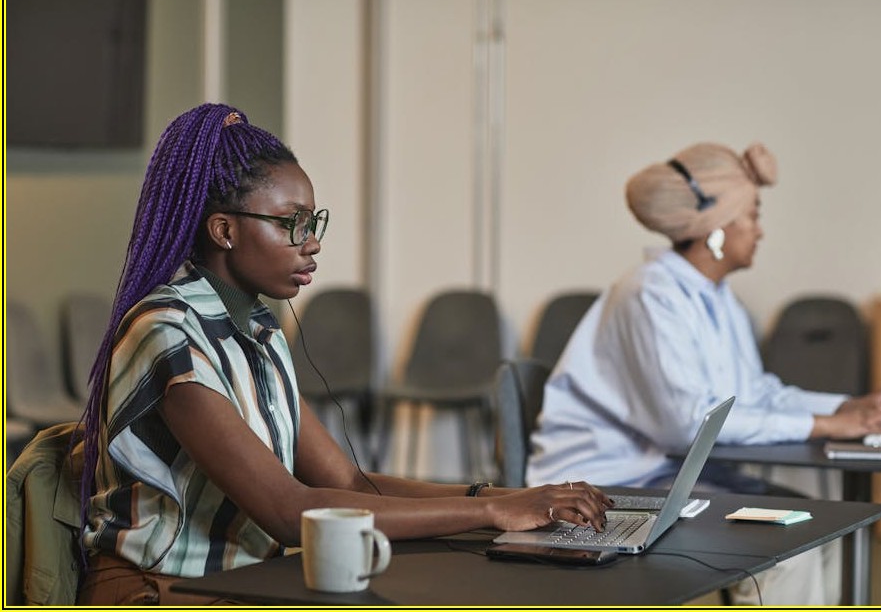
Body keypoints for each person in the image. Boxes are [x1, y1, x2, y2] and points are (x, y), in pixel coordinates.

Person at [76, 104, 611, 605]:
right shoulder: (168, 332)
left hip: (240, 581)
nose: (312, 243)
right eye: (292, 223)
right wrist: (494, 511)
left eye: (314, 222)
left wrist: (509, 496)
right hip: (158, 589)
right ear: (225, 231)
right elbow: (290, 513)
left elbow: (347, 484)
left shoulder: (257, 326)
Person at [525, 141, 881, 605]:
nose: (760, 231)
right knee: (788, 545)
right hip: (609, 489)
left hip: (667, 479)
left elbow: (755, 393)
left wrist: (847, 408)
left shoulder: (716, 298)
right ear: (716, 229)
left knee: (824, 524)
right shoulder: (649, 296)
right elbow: (686, 426)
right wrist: (826, 426)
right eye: (753, 216)